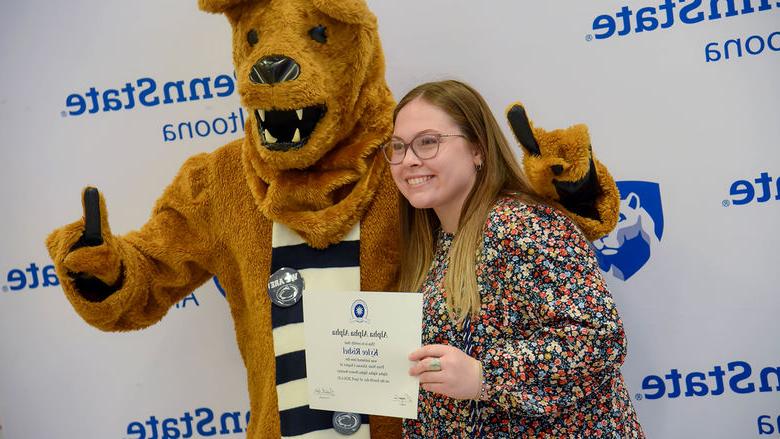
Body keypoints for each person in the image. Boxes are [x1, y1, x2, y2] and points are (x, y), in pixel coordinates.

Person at [382, 80, 645, 437]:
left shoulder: (521, 224)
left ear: (478, 149)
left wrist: (484, 376)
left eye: (428, 142)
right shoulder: (434, 244)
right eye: (397, 147)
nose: (409, 159)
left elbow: (598, 337)